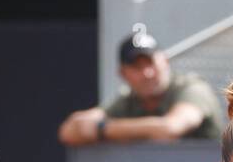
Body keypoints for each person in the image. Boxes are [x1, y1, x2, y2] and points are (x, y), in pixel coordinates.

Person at [58, 31, 223, 146]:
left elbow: (170, 128)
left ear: (165, 62)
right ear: (123, 73)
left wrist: (104, 129)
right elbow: (70, 131)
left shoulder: (191, 87)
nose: (147, 73)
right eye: (137, 67)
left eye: (151, 63)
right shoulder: (129, 100)